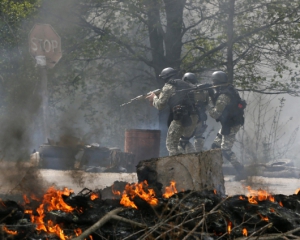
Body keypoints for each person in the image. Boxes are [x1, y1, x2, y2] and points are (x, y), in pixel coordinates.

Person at [146, 68, 200, 156]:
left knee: (171, 145)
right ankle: (194, 163)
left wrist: (154, 98)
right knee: (184, 142)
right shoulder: (185, 84)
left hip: (181, 117)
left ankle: (177, 167)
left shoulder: (169, 86)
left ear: (165, 77)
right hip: (193, 117)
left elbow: (160, 105)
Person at [207, 71, 247, 180]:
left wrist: (209, 102)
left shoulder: (224, 95)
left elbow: (215, 113)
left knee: (225, 150)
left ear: (216, 81)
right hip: (229, 123)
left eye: (213, 81)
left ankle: (241, 171)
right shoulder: (229, 89)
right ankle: (212, 171)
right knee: (215, 146)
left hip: (231, 125)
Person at [179, 72, 209, 153]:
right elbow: (206, 103)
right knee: (199, 137)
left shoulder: (187, 91)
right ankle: (200, 156)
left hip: (191, 119)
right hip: (201, 119)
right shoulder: (203, 91)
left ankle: (192, 157)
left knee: (183, 141)